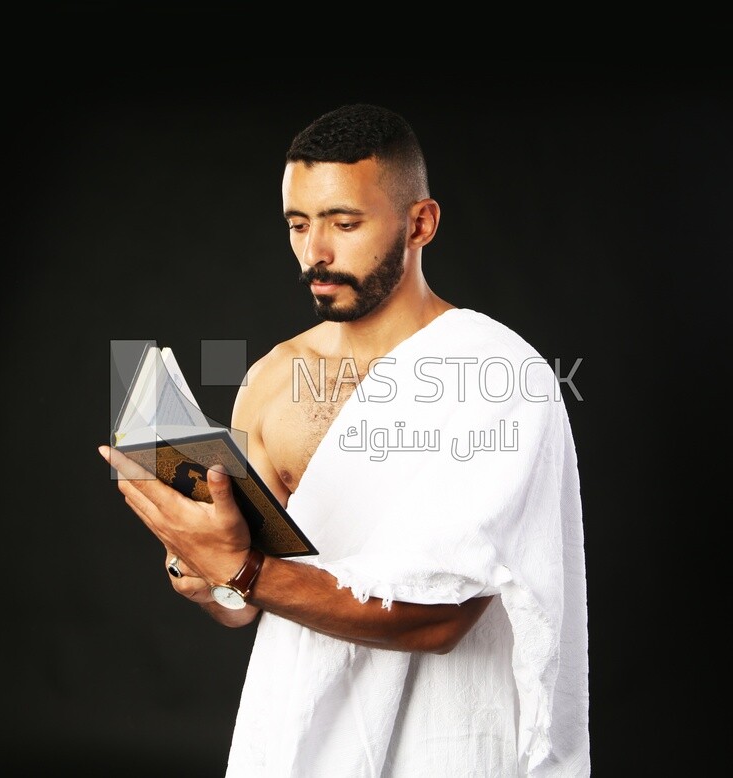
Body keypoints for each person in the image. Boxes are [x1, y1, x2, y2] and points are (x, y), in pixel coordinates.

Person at [99, 103, 590, 776]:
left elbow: (438, 620)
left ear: (421, 223)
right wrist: (201, 570)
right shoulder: (272, 379)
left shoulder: (500, 378)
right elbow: (245, 606)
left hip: (445, 748)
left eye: (344, 223)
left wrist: (239, 570)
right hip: (298, 735)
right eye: (299, 224)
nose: (314, 253)